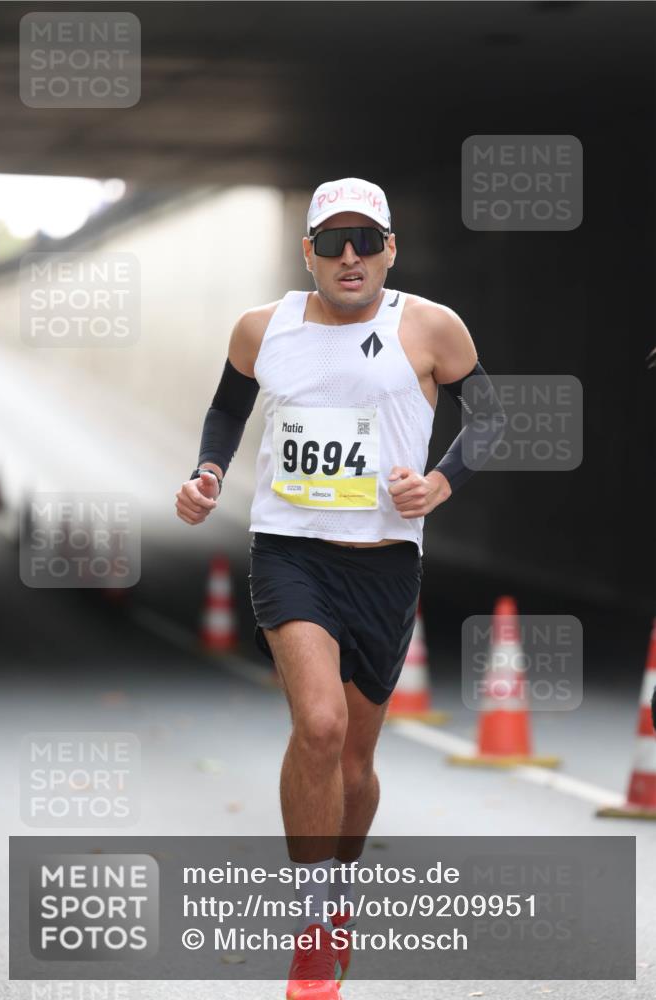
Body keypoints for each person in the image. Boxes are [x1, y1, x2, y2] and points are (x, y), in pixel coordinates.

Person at [175, 177, 505, 1000]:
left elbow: (492, 417)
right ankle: (312, 923)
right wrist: (208, 471)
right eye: (331, 241)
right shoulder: (264, 328)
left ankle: (339, 893)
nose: (348, 256)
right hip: (289, 552)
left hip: (385, 561)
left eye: (365, 240)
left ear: (391, 246)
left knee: (355, 759)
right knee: (317, 727)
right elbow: (225, 411)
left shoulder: (430, 327)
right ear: (308, 252)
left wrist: (440, 483)